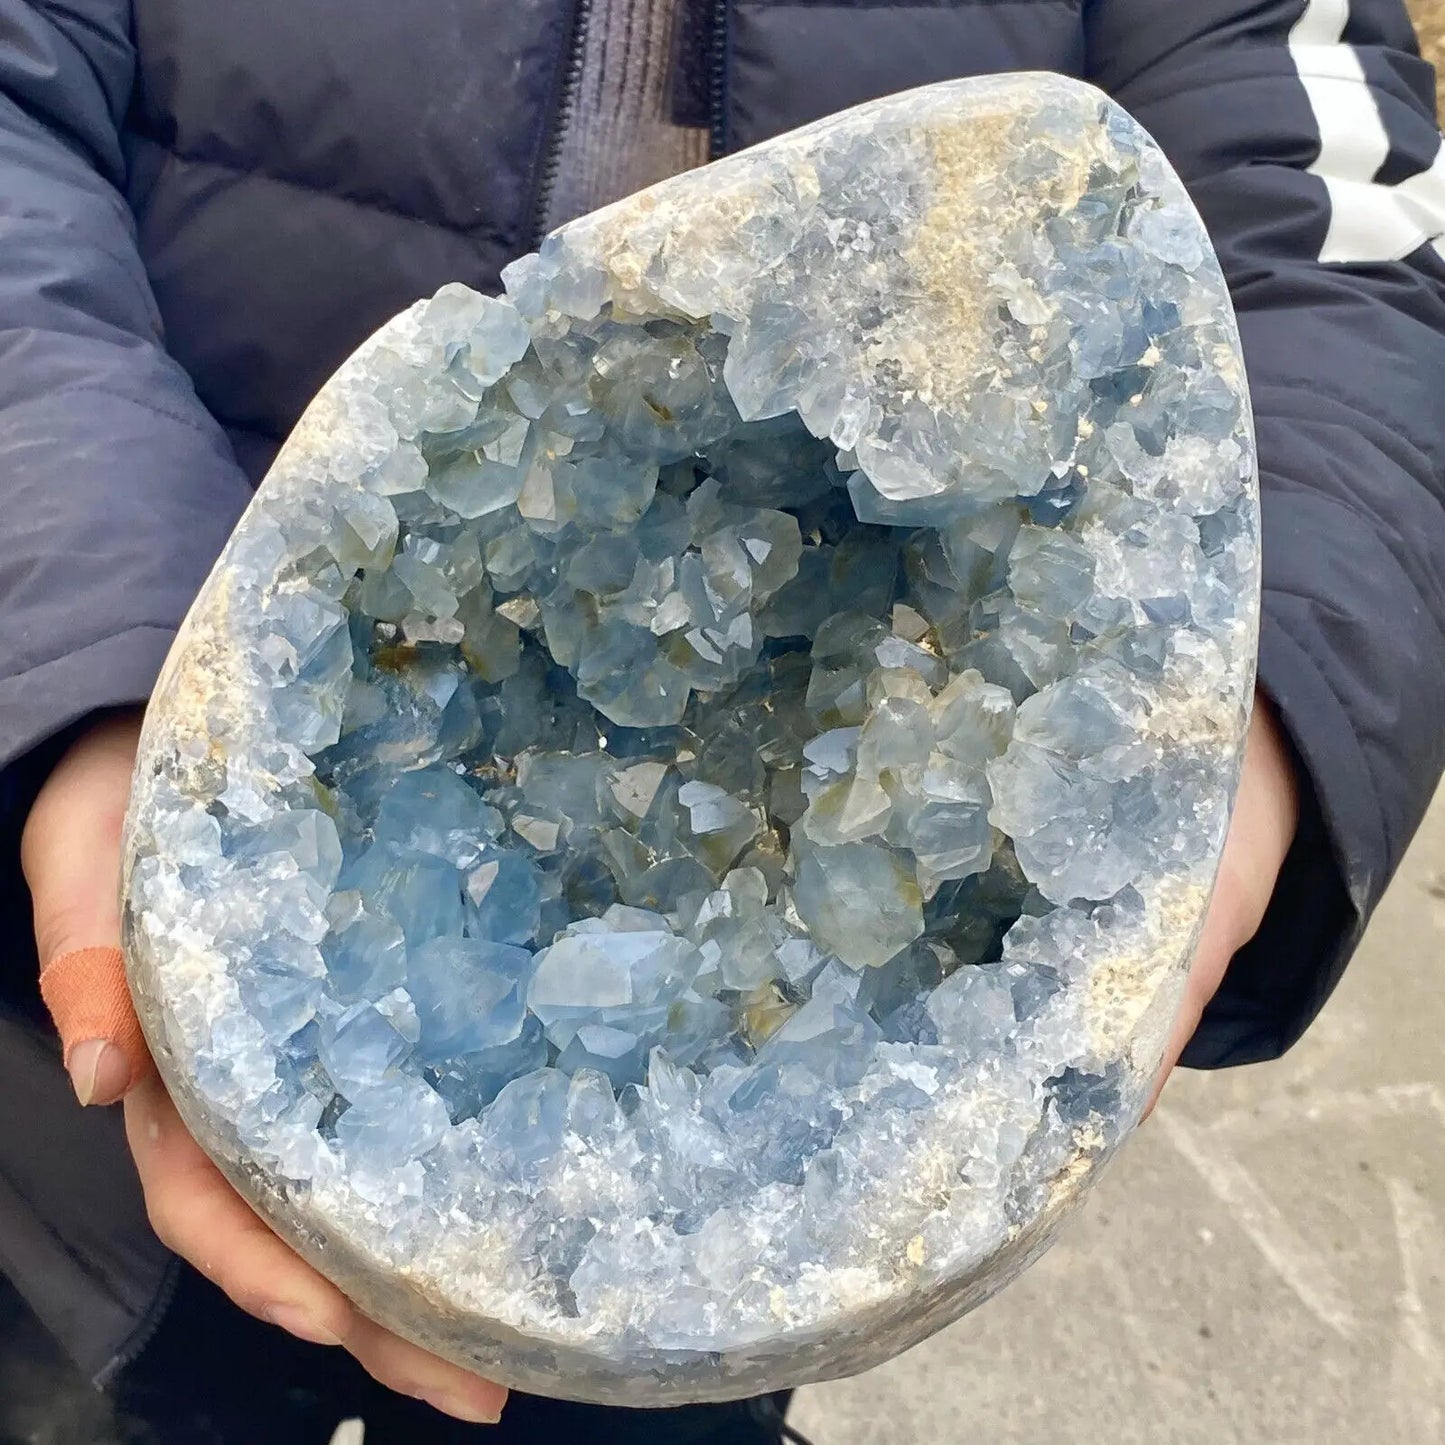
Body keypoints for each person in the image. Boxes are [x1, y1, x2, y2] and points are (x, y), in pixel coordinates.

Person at [1, 0, 1442, 1439]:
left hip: (741, 1143)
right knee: (109, 1369)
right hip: (148, 800)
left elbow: (1338, 231)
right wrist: (88, 654)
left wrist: (1245, 705)